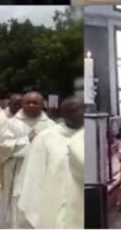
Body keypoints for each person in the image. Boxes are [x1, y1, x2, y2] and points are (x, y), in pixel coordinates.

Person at [17, 96, 84, 229]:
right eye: (74, 110)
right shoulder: (46, 137)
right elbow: (34, 175)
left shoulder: (89, 134)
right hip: (56, 202)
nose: (81, 113)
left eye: (83, 109)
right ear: (64, 114)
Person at [0, 92, 56, 228]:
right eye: (28, 102)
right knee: (19, 205)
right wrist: (26, 140)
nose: (31, 105)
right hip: (18, 171)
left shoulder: (51, 125)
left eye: (35, 103)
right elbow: (2, 147)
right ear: (22, 104)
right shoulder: (12, 124)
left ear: (42, 105)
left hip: (43, 173)